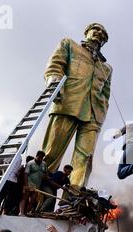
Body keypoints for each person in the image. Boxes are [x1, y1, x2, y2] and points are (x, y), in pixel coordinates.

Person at [41, 23, 112, 188]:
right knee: (51, 153)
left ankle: (72, 202)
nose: (99, 34)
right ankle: (38, 196)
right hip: (67, 103)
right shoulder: (69, 45)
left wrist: (102, 112)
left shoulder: (107, 68)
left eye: (103, 34)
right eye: (96, 30)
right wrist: (53, 78)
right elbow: (55, 64)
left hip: (94, 116)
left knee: (85, 160)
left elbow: (106, 94)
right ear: (87, 32)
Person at [20, 151, 48, 215]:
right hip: (29, 183)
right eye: (40, 157)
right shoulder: (30, 163)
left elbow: (46, 173)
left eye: (42, 157)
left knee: (32, 200)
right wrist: (26, 185)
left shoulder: (44, 164)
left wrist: (45, 176)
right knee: (25, 197)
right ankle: (21, 213)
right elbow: (26, 174)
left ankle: (26, 213)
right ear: (37, 155)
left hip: (37, 185)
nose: (41, 159)